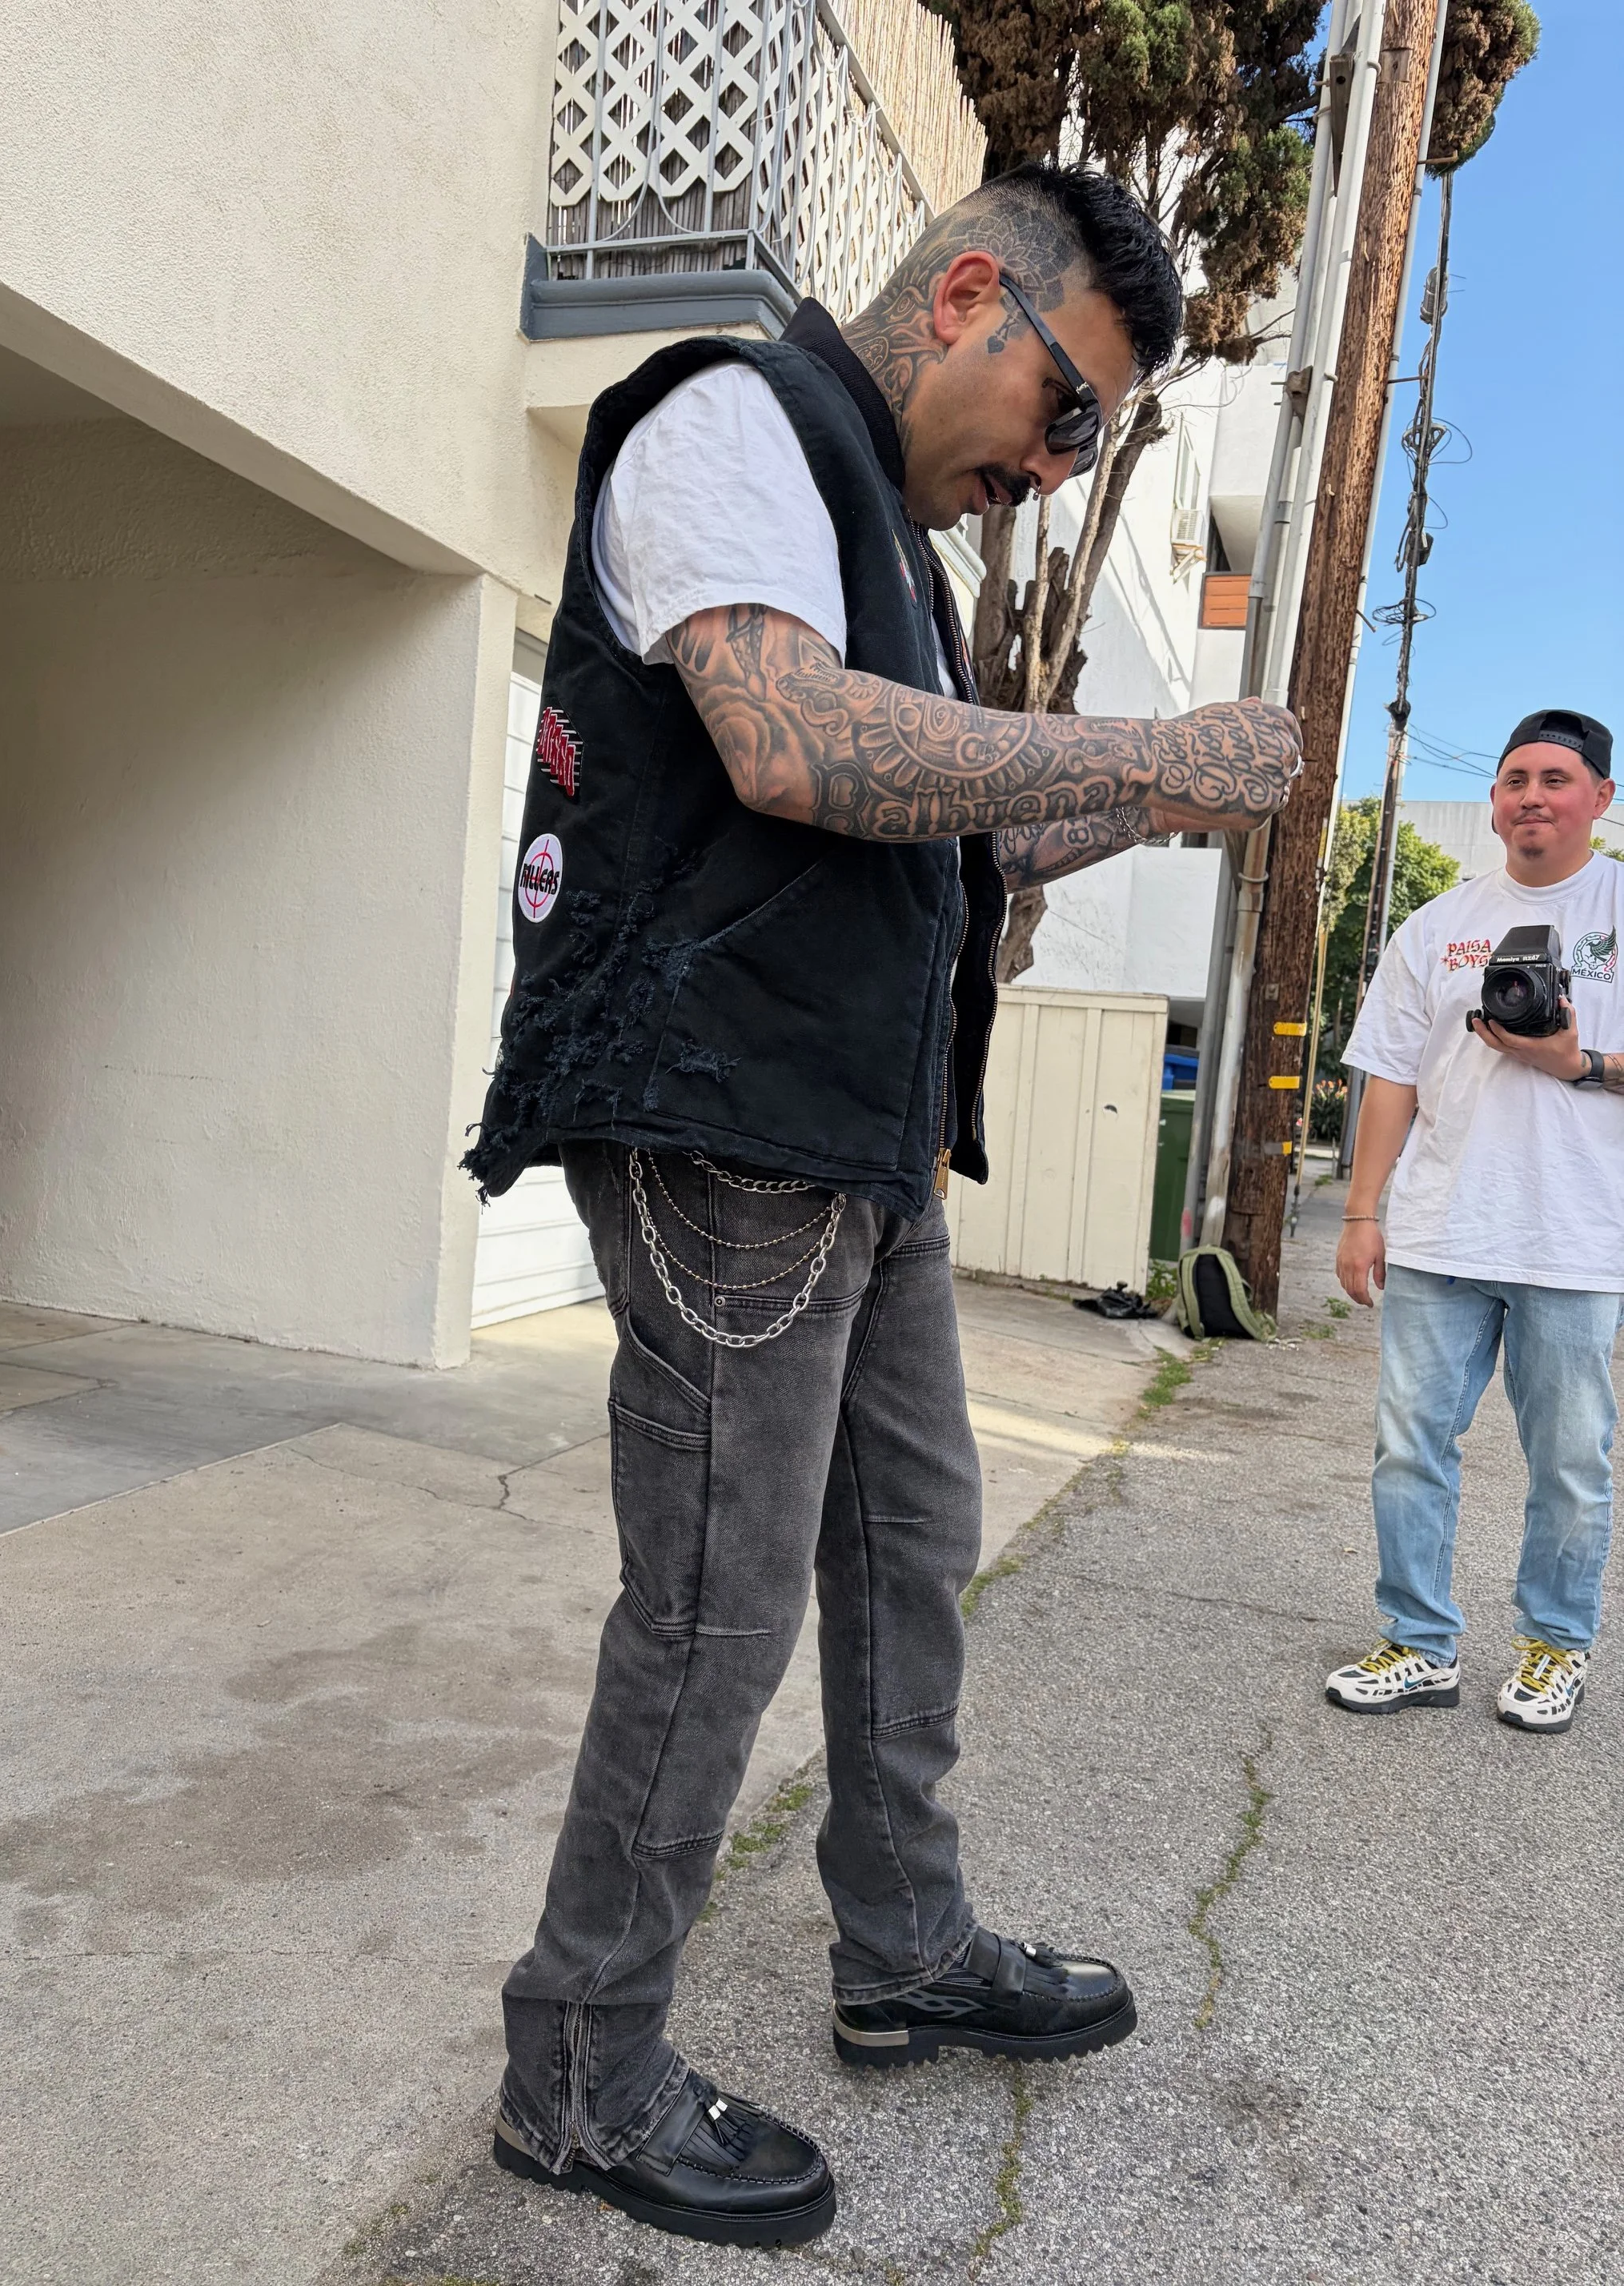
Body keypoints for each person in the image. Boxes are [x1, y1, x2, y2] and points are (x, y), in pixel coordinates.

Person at [466, 162, 1302, 2250]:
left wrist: (1153, 791)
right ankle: (577, 2069)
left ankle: (903, 1941)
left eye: (1087, 440)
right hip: (723, 1133)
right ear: (960, 300)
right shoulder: (731, 426)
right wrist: (1123, 738)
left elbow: (941, 843)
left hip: (853, 1148)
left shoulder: (886, 542)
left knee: (908, 1553)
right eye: (1067, 411)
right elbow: (783, 743)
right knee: (709, 1616)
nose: (1054, 466)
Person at [1328, 708, 1624, 1738]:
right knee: (1409, 1447)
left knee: (1571, 1463)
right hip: (1440, 1233)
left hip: (1575, 1240)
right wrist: (1363, 1211)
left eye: (1555, 778)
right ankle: (1418, 1643)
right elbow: (1392, 1080)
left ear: (1601, 798)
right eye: (1513, 780)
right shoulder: (1436, 923)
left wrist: (1580, 1064)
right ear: (1494, 801)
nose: (1531, 796)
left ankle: (1554, 1648)